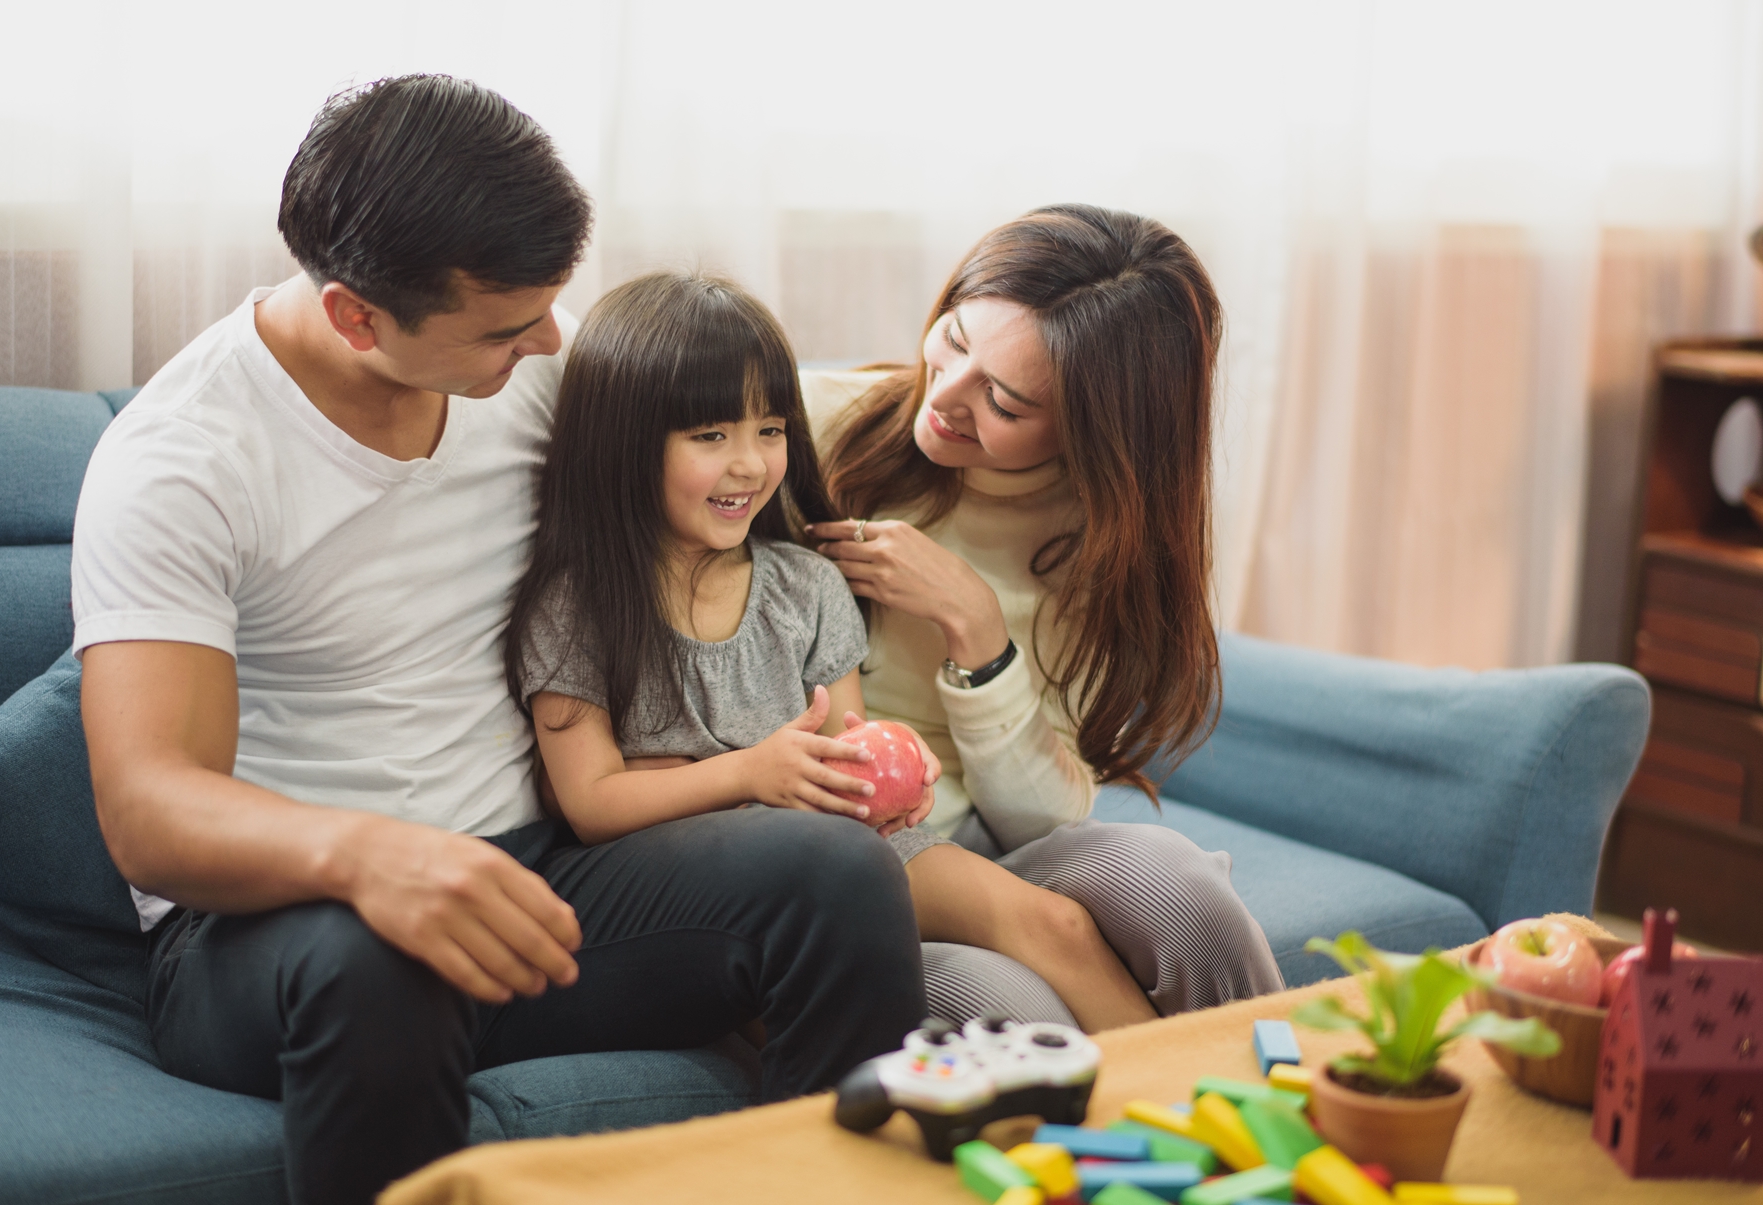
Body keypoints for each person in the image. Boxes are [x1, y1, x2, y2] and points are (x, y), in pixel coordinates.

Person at [72, 77, 924, 1205]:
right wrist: (376, 857)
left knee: (834, 874)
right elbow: (150, 811)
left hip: (539, 878)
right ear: (356, 317)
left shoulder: (524, 378)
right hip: (277, 935)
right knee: (380, 955)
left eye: (549, 305)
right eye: (507, 324)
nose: (549, 341)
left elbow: (733, 437)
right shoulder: (182, 465)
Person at [806, 203, 1285, 1031]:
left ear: (1092, 431)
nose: (945, 397)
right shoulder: (807, 428)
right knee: (1017, 1004)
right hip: (853, 841)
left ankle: (1281, 1113)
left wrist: (977, 630)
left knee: (1188, 897)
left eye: (1003, 399)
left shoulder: (1106, 542)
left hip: (998, 837)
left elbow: (1041, 819)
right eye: (954, 339)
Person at [505, 270, 941, 852]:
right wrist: (747, 772)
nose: (752, 466)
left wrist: (894, 766)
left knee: (1050, 918)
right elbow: (590, 803)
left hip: (848, 851)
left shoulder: (807, 585)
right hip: (734, 874)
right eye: (711, 435)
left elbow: (842, 764)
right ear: (623, 443)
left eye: (769, 429)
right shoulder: (579, 607)